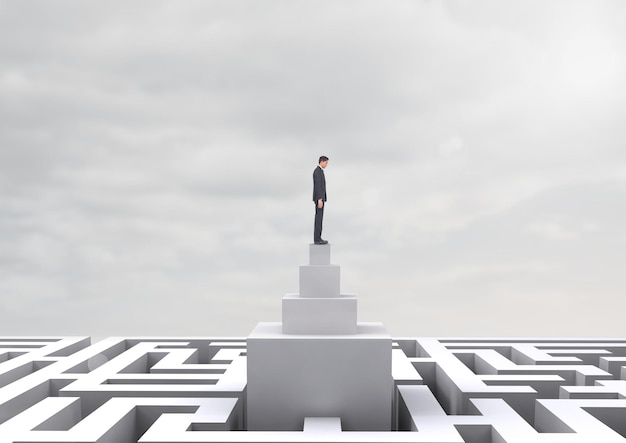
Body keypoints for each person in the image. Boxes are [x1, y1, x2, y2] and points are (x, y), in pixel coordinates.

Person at [313, 156, 329, 244]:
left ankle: (318, 237)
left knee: (320, 218)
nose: (326, 165)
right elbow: (318, 186)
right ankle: (317, 239)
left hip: (321, 198)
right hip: (319, 199)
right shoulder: (317, 172)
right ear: (322, 162)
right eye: (326, 163)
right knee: (318, 219)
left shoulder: (320, 171)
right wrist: (319, 199)